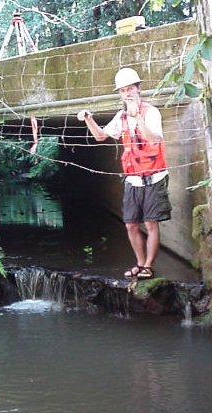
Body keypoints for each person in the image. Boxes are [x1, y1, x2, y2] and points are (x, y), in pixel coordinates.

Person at [77, 67, 171, 280]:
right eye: (122, 90)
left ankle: (148, 266)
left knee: (151, 223)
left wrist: (137, 117)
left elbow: (154, 139)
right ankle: (139, 263)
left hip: (154, 177)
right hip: (133, 179)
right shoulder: (121, 117)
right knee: (131, 224)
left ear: (139, 89)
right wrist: (89, 119)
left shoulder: (151, 112)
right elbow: (101, 136)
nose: (127, 93)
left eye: (130, 89)